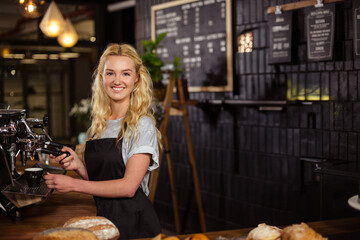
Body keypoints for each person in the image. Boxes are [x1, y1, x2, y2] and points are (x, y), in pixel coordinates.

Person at [44, 43, 162, 239]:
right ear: (102, 78)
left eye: (125, 73)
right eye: (110, 73)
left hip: (134, 225)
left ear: (136, 78)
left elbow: (127, 187)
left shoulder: (142, 124)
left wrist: (73, 185)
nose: (117, 80)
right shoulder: (100, 123)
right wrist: (78, 166)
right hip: (103, 220)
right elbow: (103, 181)